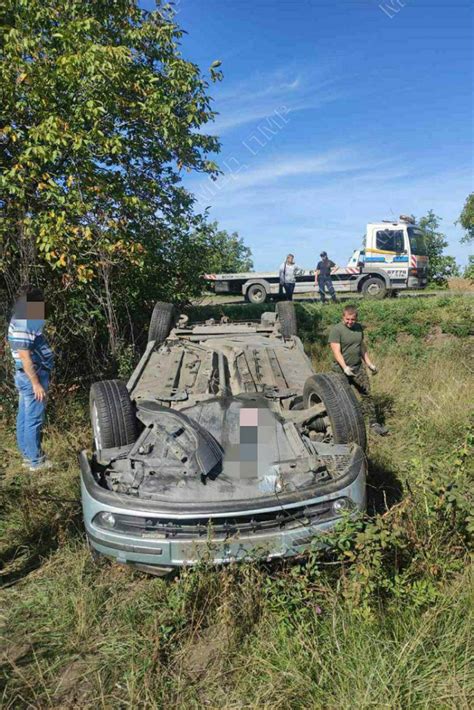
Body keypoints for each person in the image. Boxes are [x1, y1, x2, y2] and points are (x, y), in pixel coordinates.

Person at [8, 286, 55, 470]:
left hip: (26, 374)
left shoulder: (23, 317)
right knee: (33, 419)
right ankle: (35, 462)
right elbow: (25, 356)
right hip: (31, 376)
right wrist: (36, 384)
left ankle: (28, 456)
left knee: (24, 416)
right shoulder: (23, 322)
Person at [328, 305, 389, 436]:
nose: (350, 322)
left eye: (353, 319)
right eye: (347, 319)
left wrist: (369, 364)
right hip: (340, 370)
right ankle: (343, 428)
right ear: (343, 317)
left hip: (357, 367)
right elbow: (336, 352)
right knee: (341, 399)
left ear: (356, 319)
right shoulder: (336, 330)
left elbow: (361, 347)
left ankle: (374, 424)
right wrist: (345, 367)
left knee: (367, 394)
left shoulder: (358, 328)